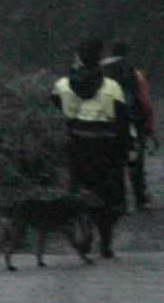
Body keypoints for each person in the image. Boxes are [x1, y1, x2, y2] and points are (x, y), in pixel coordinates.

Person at [51, 37, 130, 258]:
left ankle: (85, 233)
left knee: (80, 194)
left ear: (78, 57)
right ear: (100, 59)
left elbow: (55, 108)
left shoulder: (63, 85)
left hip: (77, 149)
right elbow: (123, 122)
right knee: (108, 195)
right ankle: (105, 242)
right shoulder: (112, 87)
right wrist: (126, 151)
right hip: (107, 151)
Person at [101, 42, 155, 211]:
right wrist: (148, 125)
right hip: (131, 123)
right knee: (135, 162)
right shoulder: (134, 73)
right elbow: (144, 102)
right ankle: (140, 199)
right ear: (127, 54)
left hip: (107, 123)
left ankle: (119, 202)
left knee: (115, 164)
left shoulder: (100, 70)